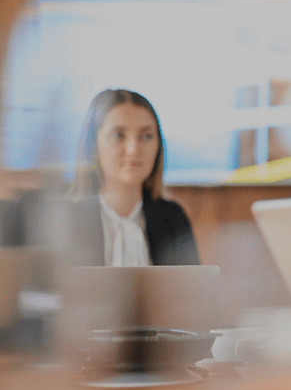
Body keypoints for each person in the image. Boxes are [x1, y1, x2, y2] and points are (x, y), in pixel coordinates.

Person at [67, 88, 200, 267]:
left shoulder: (173, 220)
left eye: (146, 136)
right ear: (93, 147)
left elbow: (193, 292)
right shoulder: (64, 219)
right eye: (118, 135)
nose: (133, 149)